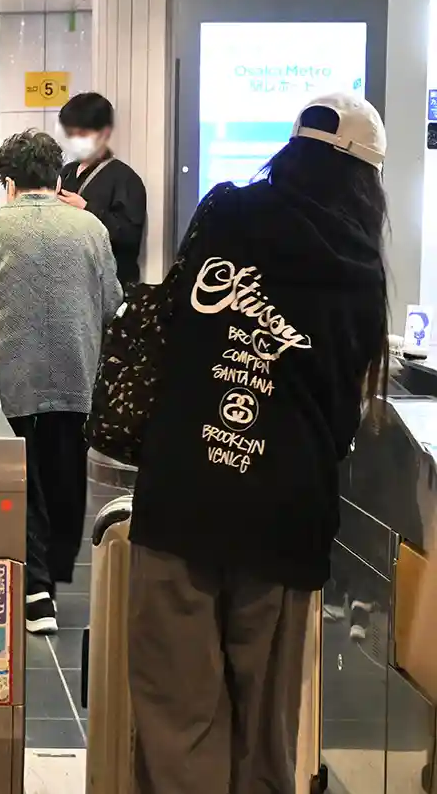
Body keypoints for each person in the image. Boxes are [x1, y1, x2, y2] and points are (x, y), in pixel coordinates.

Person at [124, 93, 388, 794]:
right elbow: (343, 413)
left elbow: (173, 326)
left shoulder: (226, 212)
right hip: (285, 510)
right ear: (365, 178)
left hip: (182, 489)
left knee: (176, 712)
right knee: (266, 723)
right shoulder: (360, 268)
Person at [0, 129, 122, 635]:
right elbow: (111, 302)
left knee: (20, 480)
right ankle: (57, 575)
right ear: (55, 175)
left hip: (11, 376)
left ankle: (36, 588)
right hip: (75, 372)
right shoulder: (90, 228)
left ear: (8, 180)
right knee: (64, 474)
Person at [56, 92, 147, 286]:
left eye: (81, 134)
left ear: (104, 133)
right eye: (70, 133)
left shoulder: (126, 179)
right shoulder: (65, 173)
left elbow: (129, 238)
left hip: (108, 289)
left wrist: (87, 209)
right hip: (68, 285)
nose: (74, 140)